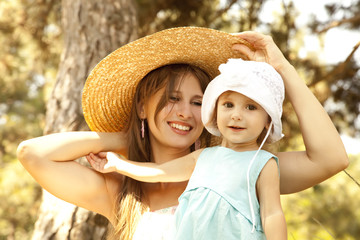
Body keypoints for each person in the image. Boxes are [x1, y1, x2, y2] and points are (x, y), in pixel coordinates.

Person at [17, 27, 348, 240]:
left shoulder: (240, 167)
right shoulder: (122, 192)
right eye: (171, 99)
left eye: (198, 102)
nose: (185, 113)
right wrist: (130, 137)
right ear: (142, 108)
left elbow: (331, 158)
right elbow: (33, 154)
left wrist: (282, 70)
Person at [87, 58, 288, 240]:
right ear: (214, 110)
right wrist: (121, 165)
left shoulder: (262, 163)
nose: (236, 115)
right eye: (228, 105)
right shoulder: (203, 157)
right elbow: (160, 172)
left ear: (267, 121)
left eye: (250, 108)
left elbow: (271, 214)